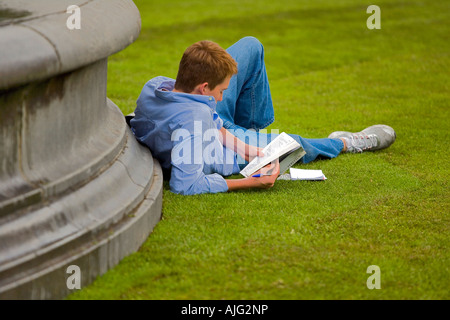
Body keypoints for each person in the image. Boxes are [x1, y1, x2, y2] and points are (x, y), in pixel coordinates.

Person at [130, 37, 396, 195]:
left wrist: (250, 151)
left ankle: (252, 137)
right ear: (204, 88)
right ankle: (345, 143)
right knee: (291, 143)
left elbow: (210, 120)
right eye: (220, 91)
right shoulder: (193, 121)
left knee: (250, 46)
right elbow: (185, 185)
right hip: (208, 145)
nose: (222, 97)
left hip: (207, 123)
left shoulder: (156, 85)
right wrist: (250, 182)